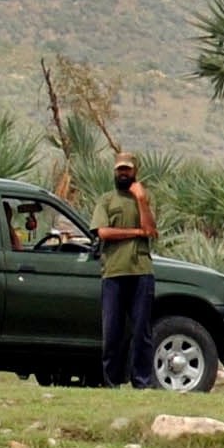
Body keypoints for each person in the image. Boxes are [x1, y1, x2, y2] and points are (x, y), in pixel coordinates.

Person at [91, 151, 159, 389]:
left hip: (141, 271)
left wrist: (141, 200)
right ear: (114, 171)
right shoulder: (106, 200)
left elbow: (151, 229)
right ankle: (111, 382)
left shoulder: (146, 198)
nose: (123, 173)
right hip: (113, 272)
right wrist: (136, 233)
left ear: (135, 171)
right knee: (112, 332)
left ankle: (142, 382)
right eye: (120, 169)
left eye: (127, 169)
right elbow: (103, 232)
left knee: (142, 331)